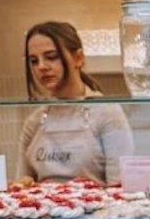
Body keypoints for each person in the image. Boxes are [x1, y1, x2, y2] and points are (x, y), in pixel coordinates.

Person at [17, 21, 134, 185]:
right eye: (34, 61)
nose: (41, 67)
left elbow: (120, 185)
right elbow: (22, 184)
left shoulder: (107, 113)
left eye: (51, 57)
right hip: (43, 209)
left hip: (96, 209)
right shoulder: (34, 121)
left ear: (78, 58)